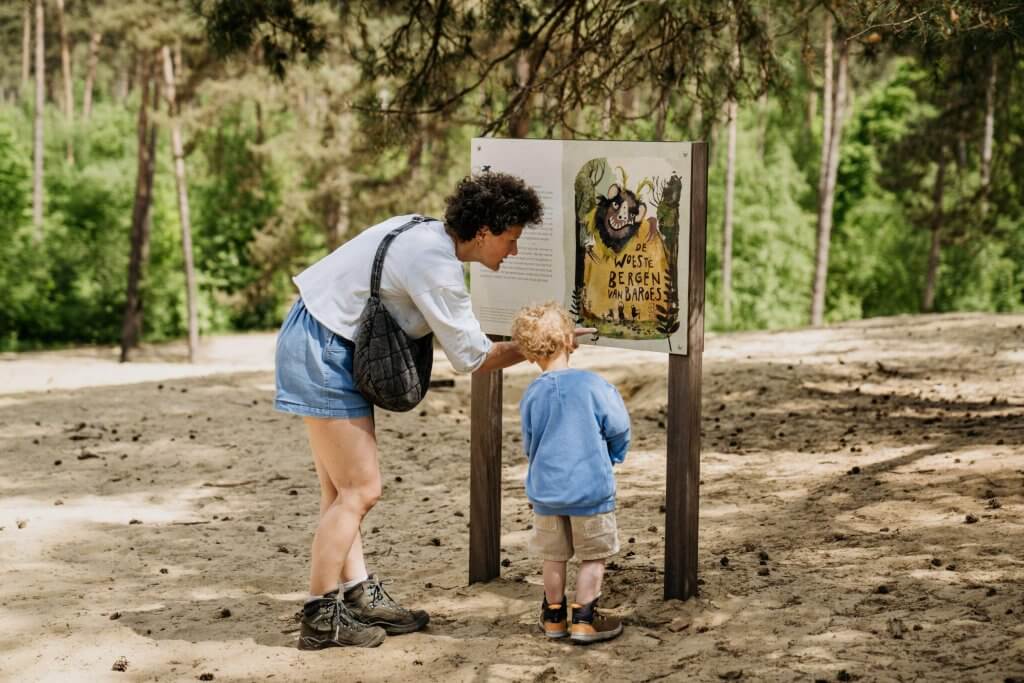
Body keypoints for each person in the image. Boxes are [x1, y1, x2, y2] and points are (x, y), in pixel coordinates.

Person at [274, 173, 592, 650]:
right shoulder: (434, 263)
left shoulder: (422, 231)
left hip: (323, 337)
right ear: (484, 230)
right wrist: (544, 344)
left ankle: (358, 595)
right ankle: (320, 618)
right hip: (322, 348)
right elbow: (473, 358)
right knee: (361, 489)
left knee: (341, 490)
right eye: (510, 239)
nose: (514, 252)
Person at [511, 301, 631, 644]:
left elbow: (530, 443)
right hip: (590, 490)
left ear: (531, 354)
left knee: (554, 555)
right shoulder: (593, 386)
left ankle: (553, 617)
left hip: (547, 492)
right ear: (570, 340)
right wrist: (613, 455)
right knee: (593, 555)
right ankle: (584, 619)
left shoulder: (532, 394)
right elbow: (619, 427)